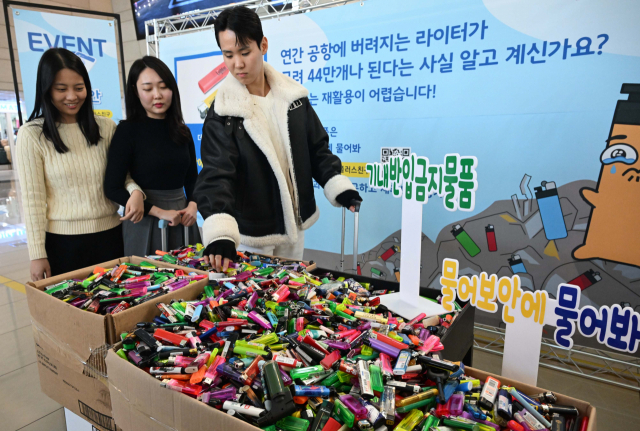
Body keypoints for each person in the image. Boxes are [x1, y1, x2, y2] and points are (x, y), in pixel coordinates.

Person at [194, 6, 361, 271]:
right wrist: (221, 231)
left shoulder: (293, 98)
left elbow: (316, 149)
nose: (237, 63)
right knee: (256, 307)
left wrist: (338, 185)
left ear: (263, 45)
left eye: (245, 52)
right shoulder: (223, 113)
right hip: (252, 235)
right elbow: (217, 174)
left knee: (292, 301)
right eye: (228, 55)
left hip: (294, 226)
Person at [16, 48, 144, 280]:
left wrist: (134, 191)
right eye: (61, 89)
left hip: (110, 237)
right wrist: (37, 253)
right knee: (72, 312)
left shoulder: (106, 127)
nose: (72, 96)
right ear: (46, 90)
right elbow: (33, 199)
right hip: (62, 244)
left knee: (116, 307)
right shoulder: (32, 135)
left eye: (79, 87)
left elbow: (121, 176)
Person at [104, 56, 201, 255]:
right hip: (144, 220)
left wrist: (193, 205)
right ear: (136, 91)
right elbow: (112, 187)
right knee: (148, 284)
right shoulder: (127, 131)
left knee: (190, 279)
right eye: (148, 89)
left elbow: (192, 179)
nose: (157, 95)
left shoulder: (183, 131)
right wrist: (158, 212)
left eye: (163, 87)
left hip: (183, 218)